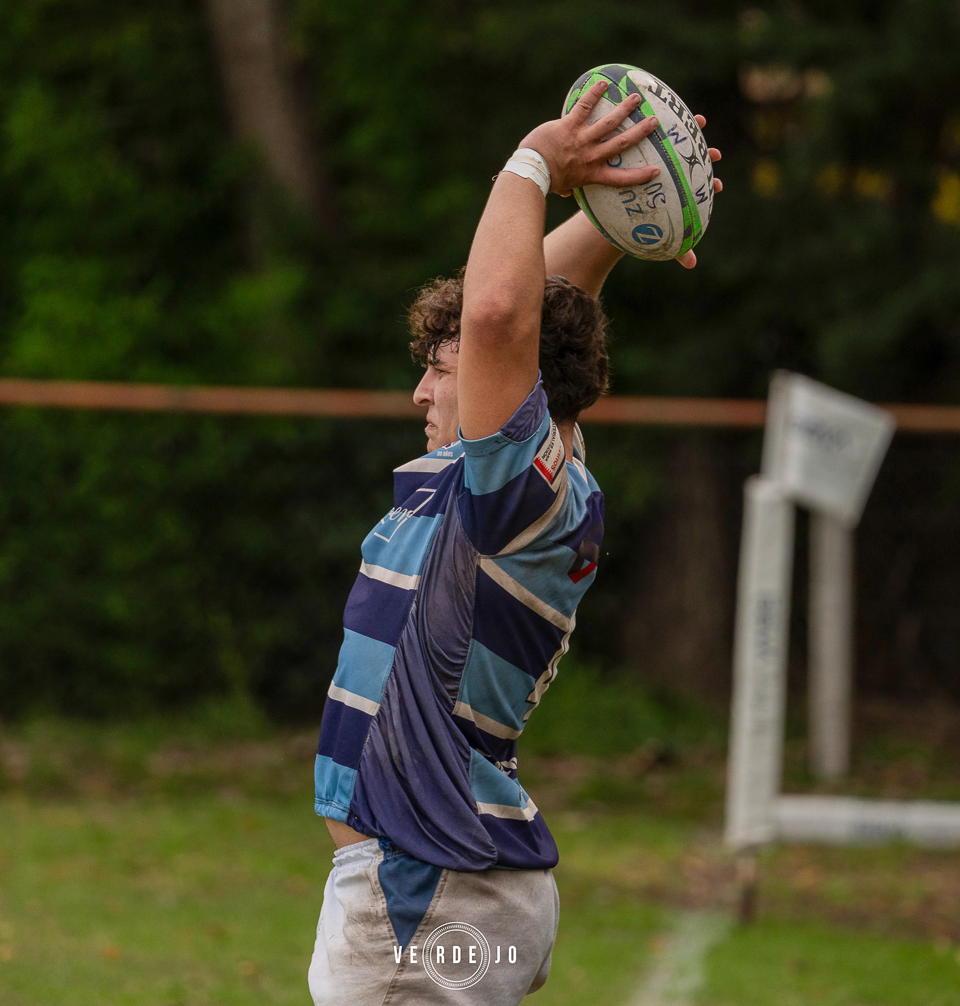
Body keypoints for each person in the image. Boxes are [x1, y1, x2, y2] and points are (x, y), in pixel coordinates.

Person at [307, 80, 722, 1004]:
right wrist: (629, 204)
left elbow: (501, 313)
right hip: (460, 890)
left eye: (437, 370)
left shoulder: (512, 494)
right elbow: (533, 295)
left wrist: (539, 155)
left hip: (427, 894)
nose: (420, 393)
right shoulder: (528, 482)